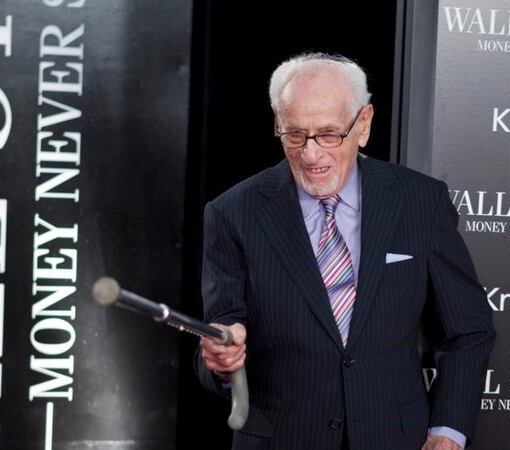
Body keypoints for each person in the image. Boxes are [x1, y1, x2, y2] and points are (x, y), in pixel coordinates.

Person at [196, 52, 494, 450]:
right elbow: (221, 339)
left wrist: (448, 431)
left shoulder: (420, 202)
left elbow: (469, 330)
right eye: (295, 134)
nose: (311, 154)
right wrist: (221, 360)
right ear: (276, 122)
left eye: (329, 134)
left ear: (364, 124)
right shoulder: (232, 213)